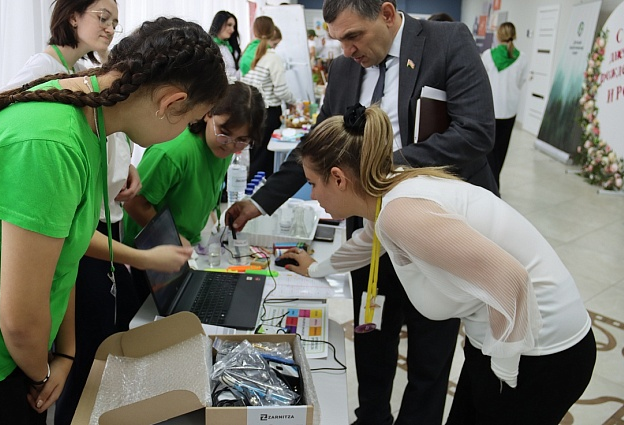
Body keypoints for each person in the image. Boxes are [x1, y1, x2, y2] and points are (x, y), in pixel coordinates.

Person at [0, 16, 228, 425]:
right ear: (170, 102)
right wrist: (43, 371)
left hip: (2, 348)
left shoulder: (87, 120)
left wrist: (67, 352)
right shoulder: (51, 143)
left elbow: (63, 248)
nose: (186, 132)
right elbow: (20, 322)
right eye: (191, 120)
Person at [226, 1, 498, 424]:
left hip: (436, 229)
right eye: (339, 40)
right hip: (372, 229)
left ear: (386, 14)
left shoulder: (447, 43)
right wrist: (259, 202)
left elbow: (476, 131)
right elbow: (318, 146)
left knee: (430, 351)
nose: (347, 50)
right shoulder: (344, 69)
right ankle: (371, 418)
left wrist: (381, 167)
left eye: (354, 36)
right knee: (372, 335)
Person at [281, 104, 595, 425]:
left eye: (313, 183)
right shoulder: (387, 190)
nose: (312, 195)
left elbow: (512, 280)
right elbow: (366, 242)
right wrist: (315, 268)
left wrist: (502, 372)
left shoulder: (400, 214)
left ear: (338, 178)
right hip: (501, 339)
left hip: (539, 350)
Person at [121, 81, 266, 249]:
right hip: (148, 249)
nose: (230, 145)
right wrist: (171, 237)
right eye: (224, 133)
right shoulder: (173, 153)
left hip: (186, 243)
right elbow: (134, 203)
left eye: (242, 140)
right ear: (208, 113)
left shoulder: (221, 147)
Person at [241, 16, 295, 181]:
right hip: (268, 111)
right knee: (265, 158)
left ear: (254, 31)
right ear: (272, 32)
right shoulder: (272, 57)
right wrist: (293, 101)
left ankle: (252, 188)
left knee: (255, 154)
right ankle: (262, 191)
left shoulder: (248, 53)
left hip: (250, 110)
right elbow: (281, 90)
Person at [482, 22, 528, 189]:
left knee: (488, 150)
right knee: (502, 149)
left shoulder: (488, 55)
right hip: (510, 110)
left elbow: (482, 80)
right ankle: (496, 182)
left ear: (498, 35)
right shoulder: (522, 58)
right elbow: (522, 81)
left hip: (490, 109)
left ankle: (491, 184)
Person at [209, 10, 242, 82]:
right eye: (229, 25)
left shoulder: (229, 46)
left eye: (234, 26)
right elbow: (230, 75)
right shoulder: (210, 47)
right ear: (219, 24)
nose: (232, 30)